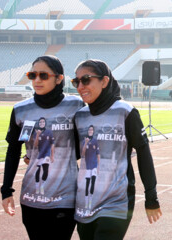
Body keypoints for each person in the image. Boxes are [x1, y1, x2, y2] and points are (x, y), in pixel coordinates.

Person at [71, 59, 162, 240]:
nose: (80, 86)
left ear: (104, 81)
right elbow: (72, 153)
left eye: (86, 80)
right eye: (76, 82)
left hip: (117, 201)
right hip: (85, 201)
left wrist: (151, 196)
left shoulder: (125, 112)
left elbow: (144, 153)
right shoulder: (80, 116)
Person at [1, 55, 84, 240]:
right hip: (31, 198)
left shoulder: (76, 105)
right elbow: (13, 151)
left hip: (66, 198)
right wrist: (6, 190)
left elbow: (83, 147)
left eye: (43, 75)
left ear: (59, 78)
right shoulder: (21, 109)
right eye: (32, 75)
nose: (37, 80)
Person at [81, 125, 100, 217]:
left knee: (93, 182)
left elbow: (98, 154)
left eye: (92, 129)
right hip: (88, 166)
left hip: (94, 165)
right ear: (88, 131)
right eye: (89, 129)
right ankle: (86, 203)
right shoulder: (84, 141)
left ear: (93, 131)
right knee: (87, 183)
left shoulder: (95, 141)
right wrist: (86, 143)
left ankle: (91, 202)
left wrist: (99, 166)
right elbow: (83, 153)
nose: (90, 131)